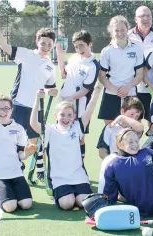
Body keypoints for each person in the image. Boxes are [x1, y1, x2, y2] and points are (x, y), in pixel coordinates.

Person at [0, 14, 58, 181]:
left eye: (50, 44)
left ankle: (39, 171)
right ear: (37, 42)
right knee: (14, 140)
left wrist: (52, 92)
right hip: (18, 105)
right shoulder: (25, 54)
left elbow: (50, 88)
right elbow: (4, 46)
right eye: (43, 43)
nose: (46, 46)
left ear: (53, 45)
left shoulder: (50, 66)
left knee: (34, 143)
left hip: (36, 109)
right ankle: (12, 171)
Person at [29, 82, 103, 210]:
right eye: (62, 115)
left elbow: (90, 109)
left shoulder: (77, 127)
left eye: (69, 115)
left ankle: (76, 192)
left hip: (78, 175)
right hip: (59, 178)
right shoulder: (49, 130)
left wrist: (97, 90)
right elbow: (33, 123)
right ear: (56, 116)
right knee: (67, 204)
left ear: (74, 116)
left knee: (83, 203)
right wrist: (37, 100)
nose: (66, 118)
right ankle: (59, 195)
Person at [56, 30, 100, 167]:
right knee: (60, 130)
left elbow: (86, 89)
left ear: (90, 44)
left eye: (82, 46)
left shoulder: (93, 65)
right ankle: (61, 162)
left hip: (79, 105)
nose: (79, 49)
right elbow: (63, 75)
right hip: (63, 101)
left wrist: (71, 98)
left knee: (80, 136)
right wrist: (60, 56)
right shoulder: (74, 58)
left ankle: (79, 165)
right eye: (76, 46)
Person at [98, 15, 144, 124]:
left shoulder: (137, 49)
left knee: (132, 129)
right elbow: (102, 76)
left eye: (123, 29)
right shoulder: (106, 51)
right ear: (111, 32)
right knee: (110, 129)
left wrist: (127, 87)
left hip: (131, 93)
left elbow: (139, 75)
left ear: (127, 30)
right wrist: (116, 90)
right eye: (116, 30)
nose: (120, 33)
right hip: (111, 94)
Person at [128, 6, 153, 124]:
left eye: (148, 16)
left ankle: (152, 143)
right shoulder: (127, 35)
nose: (146, 18)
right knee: (134, 124)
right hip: (132, 88)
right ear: (135, 19)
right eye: (142, 16)